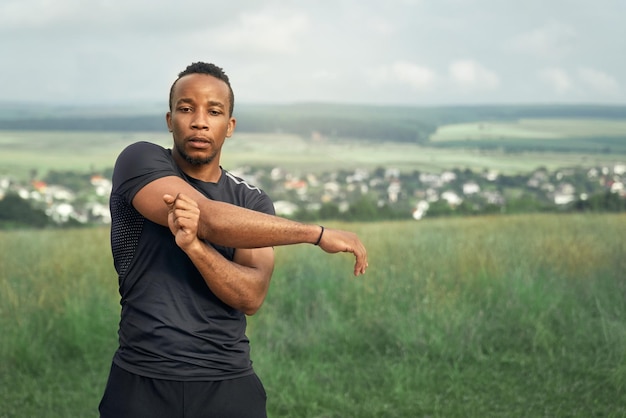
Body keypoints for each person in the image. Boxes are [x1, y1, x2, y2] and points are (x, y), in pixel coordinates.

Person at [99, 62, 368, 417]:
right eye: (185, 108)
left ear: (230, 126)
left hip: (228, 385)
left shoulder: (252, 203)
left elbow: (251, 295)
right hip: (141, 382)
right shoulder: (139, 160)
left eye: (214, 111)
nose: (199, 121)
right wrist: (315, 234)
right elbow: (209, 217)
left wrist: (195, 248)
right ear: (169, 120)